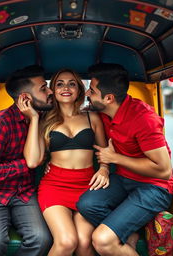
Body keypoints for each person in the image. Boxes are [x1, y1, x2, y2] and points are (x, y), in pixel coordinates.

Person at [77, 63, 173, 256]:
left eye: (92, 90)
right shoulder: (102, 112)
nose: (87, 93)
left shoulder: (143, 118)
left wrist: (115, 158)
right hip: (124, 179)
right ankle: (128, 233)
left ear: (108, 98)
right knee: (86, 204)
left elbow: (164, 170)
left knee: (102, 241)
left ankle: (116, 235)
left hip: (154, 187)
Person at [19, 69, 109, 256]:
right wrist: (34, 118)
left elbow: (104, 153)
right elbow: (33, 160)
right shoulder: (45, 119)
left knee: (84, 243)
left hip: (87, 187)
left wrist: (104, 169)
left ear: (79, 90)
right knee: (67, 242)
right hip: (54, 187)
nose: (65, 88)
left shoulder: (92, 117)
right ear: (53, 90)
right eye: (60, 84)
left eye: (72, 83)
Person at [0, 65, 53, 256]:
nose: (50, 92)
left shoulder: (41, 117)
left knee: (42, 240)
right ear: (25, 98)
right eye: (43, 88)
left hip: (25, 193)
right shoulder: (0, 123)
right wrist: (26, 164)